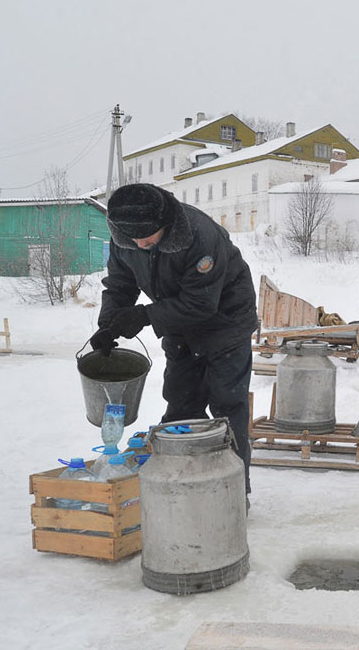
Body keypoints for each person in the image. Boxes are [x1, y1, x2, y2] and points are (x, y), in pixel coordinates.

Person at [90, 183, 258, 497]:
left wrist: (143, 316)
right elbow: (119, 285)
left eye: (148, 236)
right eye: (132, 237)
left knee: (227, 408)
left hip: (226, 324)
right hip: (179, 326)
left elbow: (201, 304)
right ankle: (184, 488)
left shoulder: (198, 236)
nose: (140, 243)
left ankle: (233, 493)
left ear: (166, 223)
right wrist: (108, 324)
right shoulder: (126, 237)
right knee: (181, 405)